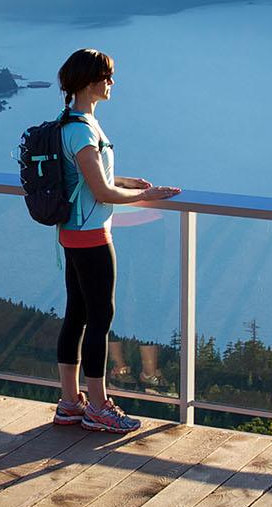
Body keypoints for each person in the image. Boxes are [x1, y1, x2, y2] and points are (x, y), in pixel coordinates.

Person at [50, 48, 179, 433]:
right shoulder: (82, 130)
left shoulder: (72, 123)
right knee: (99, 318)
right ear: (90, 81)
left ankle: (71, 402)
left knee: (76, 315)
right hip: (91, 236)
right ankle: (99, 406)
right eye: (107, 76)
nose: (111, 82)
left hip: (72, 234)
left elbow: (92, 178)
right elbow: (101, 193)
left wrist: (126, 181)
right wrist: (144, 196)